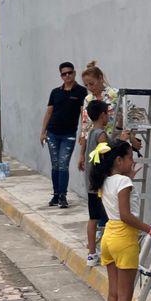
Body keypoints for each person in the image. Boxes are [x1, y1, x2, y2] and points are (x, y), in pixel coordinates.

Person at [92, 141, 151, 301]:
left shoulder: (105, 181)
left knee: (113, 293)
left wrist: (129, 176)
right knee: (125, 295)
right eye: (130, 157)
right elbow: (126, 215)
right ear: (118, 161)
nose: (133, 161)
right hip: (124, 237)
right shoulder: (123, 181)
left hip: (109, 237)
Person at [38, 61, 88, 208]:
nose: (67, 76)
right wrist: (43, 132)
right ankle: (55, 195)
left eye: (69, 73)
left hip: (69, 134)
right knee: (55, 165)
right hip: (52, 133)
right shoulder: (55, 92)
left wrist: (82, 132)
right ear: (61, 76)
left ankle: (63, 196)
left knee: (63, 165)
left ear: (74, 73)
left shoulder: (81, 91)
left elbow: (83, 114)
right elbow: (49, 112)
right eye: (64, 74)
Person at [80, 99, 112, 268]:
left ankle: (91, 253)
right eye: (107, 114)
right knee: (108, 221)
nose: (109, 117)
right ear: (102, 115)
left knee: (93, 218)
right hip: (100, 184)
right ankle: (108, 253)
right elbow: (106, 152)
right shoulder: (101, 135)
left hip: (91, 183)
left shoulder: (91, 132)